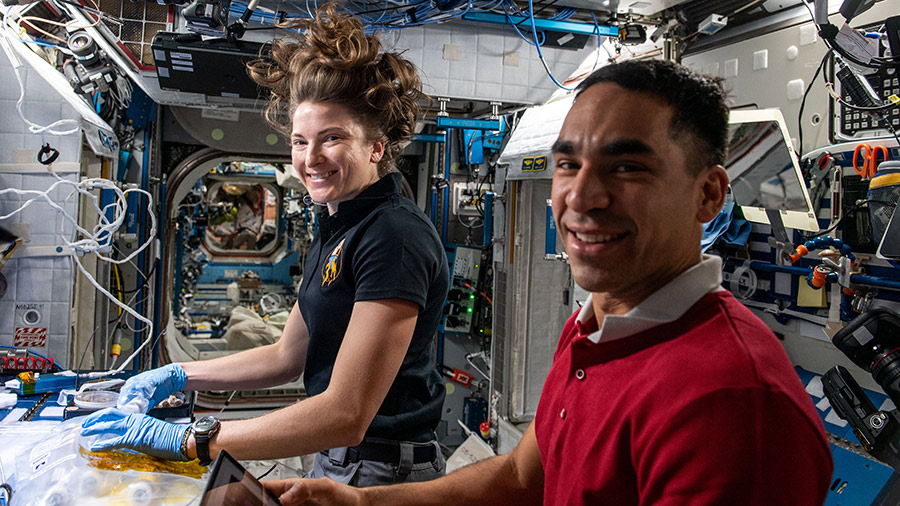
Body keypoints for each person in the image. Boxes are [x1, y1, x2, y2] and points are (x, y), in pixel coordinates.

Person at [257, 59, 835, 505]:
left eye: (627, 166)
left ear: (709, 193)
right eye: (567, 164)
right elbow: (520, 476)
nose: (582, 197)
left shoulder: (733, 401)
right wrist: (363, 502)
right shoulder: (596, 328)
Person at [80, 3, 449, 486]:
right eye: (300, 141)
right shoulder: (339, 224)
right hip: (344, 457)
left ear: (376, 147)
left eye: (331, 138)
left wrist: (189, 440)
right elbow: (284, 356)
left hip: (383, 466)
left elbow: (347, 413)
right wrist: (176, 376)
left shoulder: (392, 235)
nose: (310, 158)